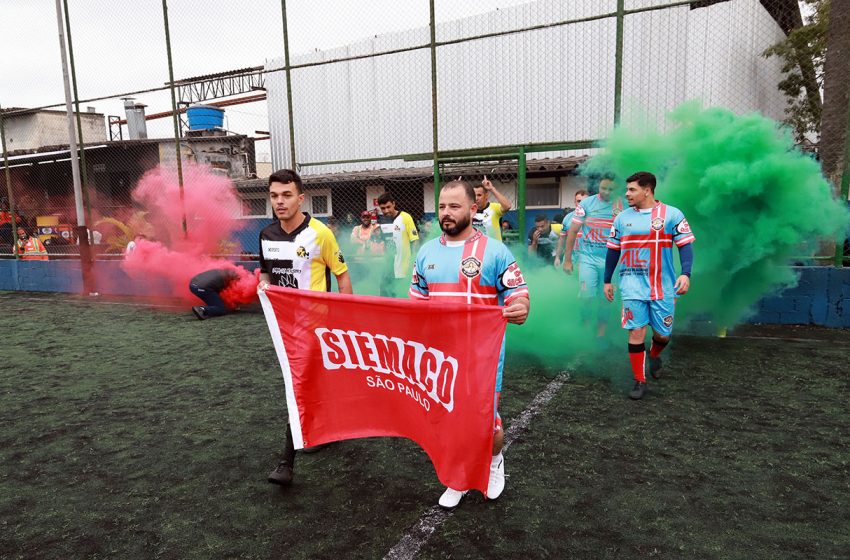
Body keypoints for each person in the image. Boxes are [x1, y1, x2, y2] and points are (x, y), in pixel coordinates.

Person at [410, 179, 530, 509]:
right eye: (442, 207)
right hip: (440, 355)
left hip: (483, 356)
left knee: (485, 421)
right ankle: (457, 476)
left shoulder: (494, 251)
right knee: (447, 419)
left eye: (454, 206)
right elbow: (416, 302)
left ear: (473, 209)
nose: (446, 214)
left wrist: (521, 306)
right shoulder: (426, 252)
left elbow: (517, 293)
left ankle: (493, 464)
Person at [258, 168, 353, 485]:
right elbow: (265, 274)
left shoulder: (320, 234)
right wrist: (263, 288)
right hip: (284, 327)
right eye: (274, 196)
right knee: (313, 383)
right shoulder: (266, 235)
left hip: (315, 326)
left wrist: (344, 315)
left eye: (286, 195)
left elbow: (341, 274)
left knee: (296, 386)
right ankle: (330, 432)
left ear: (300, 198)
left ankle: (286, 462)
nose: (279, 201)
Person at [604, 171, 695, 400]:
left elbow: (685, 246)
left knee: (663, 335)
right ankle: (639, 381)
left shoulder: (672, 214)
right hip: (631, 284)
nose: (627, 194)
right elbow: (612, 251)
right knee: (636, 331)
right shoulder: (622, 218)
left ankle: (654, 355)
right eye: (627, 190)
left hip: (663, 287)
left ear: (647, 190)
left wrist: (686, 274)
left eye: (632, 189)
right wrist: (607, 279)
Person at [562, 179, 622, 337]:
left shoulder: (623, 205)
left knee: (606, 299)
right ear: (598, 187)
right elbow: (573, 231)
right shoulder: (586, 204)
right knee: (586, 297)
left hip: (612, 261)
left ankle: (600, 333)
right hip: (588, 259)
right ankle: (586, 329)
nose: (607, 192)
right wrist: (567, 260)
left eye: (611, 189)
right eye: (603, 188)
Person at [377, 192, 419, 296]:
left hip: (403, 267)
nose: (386, 211)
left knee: (399, 295)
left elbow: (415, 240)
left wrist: (413, 263)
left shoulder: (405, 217)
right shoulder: (381, 221)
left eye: (388, 207)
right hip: (388, 267)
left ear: (394, 204)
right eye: (383, 208)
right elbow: (383, 242)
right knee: (384, 293)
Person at [554, 189, 588, 268]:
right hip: (570, 260)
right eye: (579, 201)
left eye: (585, 201)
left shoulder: (596, 219)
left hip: (588, 262)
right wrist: (557, 257)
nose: (582, 203)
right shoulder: (567, 218)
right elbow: (562, 239)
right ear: (575, 202)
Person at [472, 175, 513, 241]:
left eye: (479, 195)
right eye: (474, 195)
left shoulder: (494, 207)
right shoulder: (469, 210)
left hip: (494, 248)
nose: (476, 198)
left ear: (486, 196)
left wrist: (492, 189)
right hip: (476, 248)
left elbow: (507, 206)